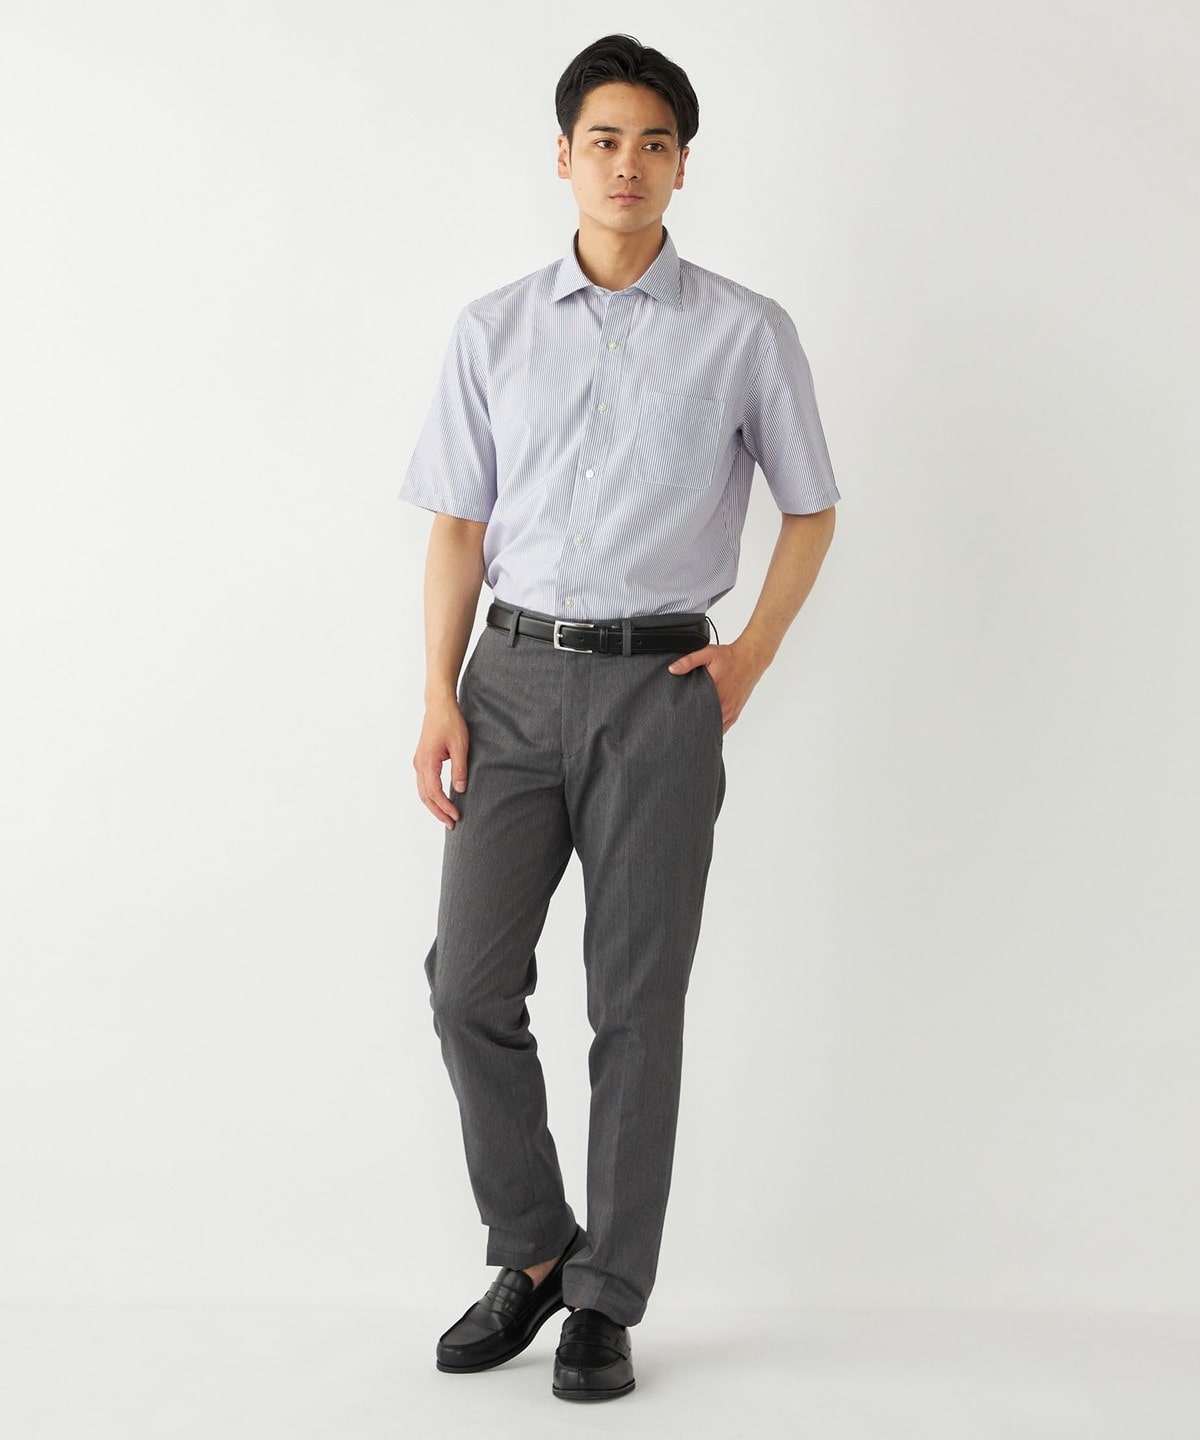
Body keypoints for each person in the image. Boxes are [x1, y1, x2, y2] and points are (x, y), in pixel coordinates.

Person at [398, 33, 840, 1402]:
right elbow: (457, 526)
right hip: (510, 681)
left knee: (636, 1003)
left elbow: (812, 508)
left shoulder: (747, 331)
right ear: (563, 156)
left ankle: (607, 1296)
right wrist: (438, 693)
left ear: (683, 165)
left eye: (655, 143)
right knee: (467, 986)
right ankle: (536, 1250)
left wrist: (748, 658)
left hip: (661, 690)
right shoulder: (491, 331)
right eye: (605, 140)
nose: (628, 165)